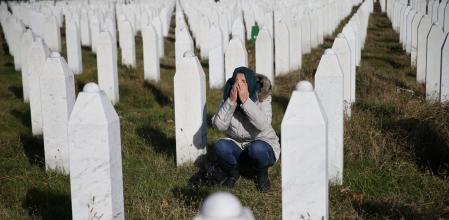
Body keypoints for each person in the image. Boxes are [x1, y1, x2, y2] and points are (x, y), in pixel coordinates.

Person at [210, 66, 280, 192]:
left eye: (243, 81)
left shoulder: (263, 97)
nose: (239, 85)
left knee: (257, 149)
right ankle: (234, 172)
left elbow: (263, 124)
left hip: (263, 144)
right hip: (239, 145)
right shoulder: (228, 95)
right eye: (236, 81)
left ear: (250, 83)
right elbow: (218, 125)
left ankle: (262, 174)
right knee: (220, 146)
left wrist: (246, 101)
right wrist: (231, 102)